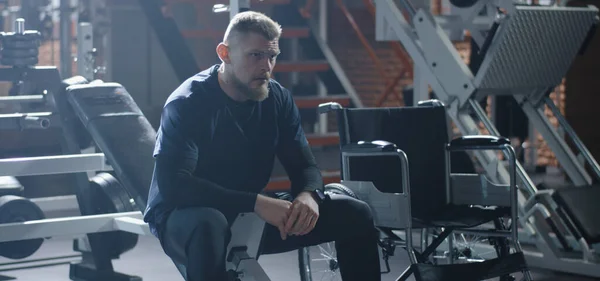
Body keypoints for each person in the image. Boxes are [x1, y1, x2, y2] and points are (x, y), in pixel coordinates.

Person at [143, 11, 381, 281]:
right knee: (210, 223)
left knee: (355, 213)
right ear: (224, 53)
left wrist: (309, 195)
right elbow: (175, 186)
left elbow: (304, 165)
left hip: (249, 211)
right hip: (184, 216)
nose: (266, 66)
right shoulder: (189, 103)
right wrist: (256, 203)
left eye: (272, 56)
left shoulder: (277, 98)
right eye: (255, 55)